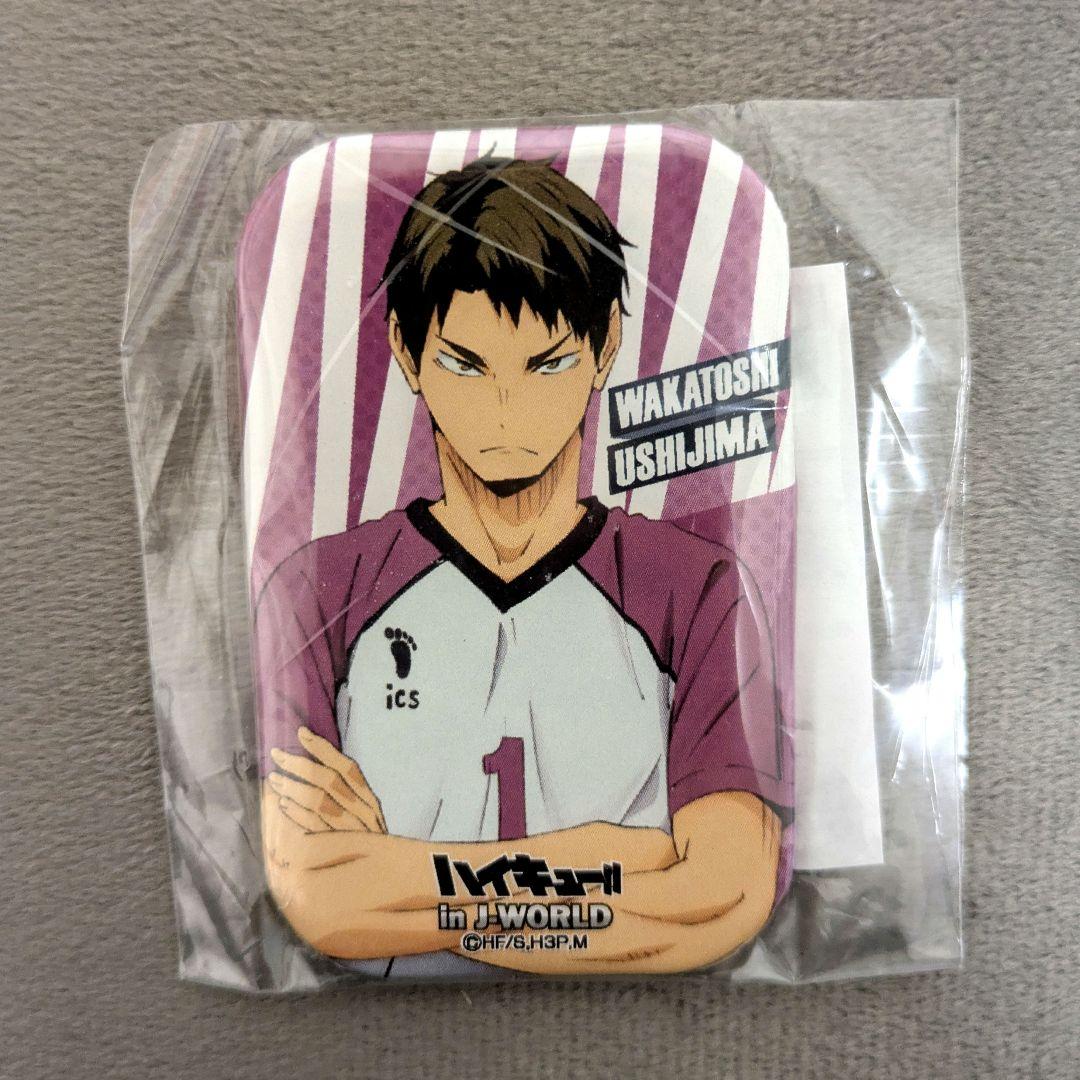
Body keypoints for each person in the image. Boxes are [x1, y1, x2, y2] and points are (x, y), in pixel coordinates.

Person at [255, 155, 793, 976]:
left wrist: (394, 880)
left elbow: (723, 898)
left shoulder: (697, 589)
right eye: (465, 364)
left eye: (547, 364)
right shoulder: (315, 590)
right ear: (406, 350)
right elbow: (317, 898)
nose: (506, 409)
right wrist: (628, 855)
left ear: (606, 345)